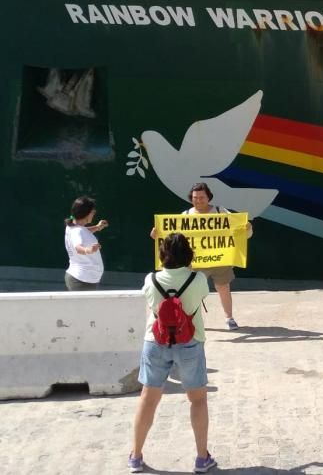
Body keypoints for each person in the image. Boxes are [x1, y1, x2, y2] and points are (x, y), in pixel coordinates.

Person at [129, 232, 216, 473]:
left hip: (155, 342)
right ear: (189, 253)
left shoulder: (151, 279)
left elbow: (152, 295)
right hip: (190, 343)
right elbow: (199, 296)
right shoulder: (198, 279)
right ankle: (201, 458)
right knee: (197, 399)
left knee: (148, 398)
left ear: (162, 254)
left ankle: (136, 456)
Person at [181, 183, 252, 330]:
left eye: (202, 197)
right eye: (195, 198)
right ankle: (191, 320)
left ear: (208, 197)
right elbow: (175, 239)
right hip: (196, 262)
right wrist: (158, 235)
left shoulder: (221, 212)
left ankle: (229, 318)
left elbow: (240, 232)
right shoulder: (185, 216)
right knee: (193, 291)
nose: (198, 200)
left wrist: (247, 229)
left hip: (220, 260)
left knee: (223, 287)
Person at [63, 195, 108, 290]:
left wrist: (97, 227)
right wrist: (89, 250)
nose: (94, 213)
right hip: (81, 282)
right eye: (93, 212)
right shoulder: (77, 231)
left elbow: (84, 232)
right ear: (85, 213)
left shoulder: (73, 227)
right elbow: (78, 248)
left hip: (82, 280)